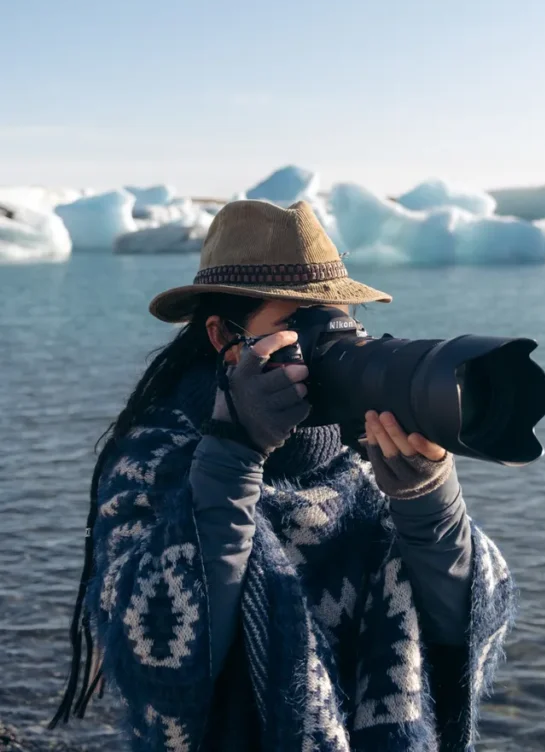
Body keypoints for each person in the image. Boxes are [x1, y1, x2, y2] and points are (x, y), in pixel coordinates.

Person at [51, 200, 516, 751]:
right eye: (300, 326)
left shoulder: (360, 462)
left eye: (343, 324)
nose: (331, 348)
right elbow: (159, 654)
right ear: (225, 337)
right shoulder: (156, 459)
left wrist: (428, 501)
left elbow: (462, 627)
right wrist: (235, 452)